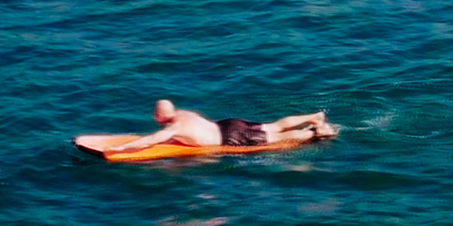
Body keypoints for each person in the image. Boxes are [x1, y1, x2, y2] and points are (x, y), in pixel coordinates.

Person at [101, 99, 339, 154]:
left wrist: (121, 149)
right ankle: (314, 116)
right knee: (273, 127)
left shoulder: (173, 129)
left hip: (229, 138)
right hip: (229, 123)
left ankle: (315, 132)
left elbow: (149, 141)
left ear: (160, 117)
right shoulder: (183, 114)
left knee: (276, 141)